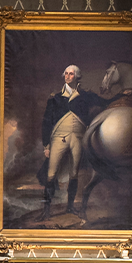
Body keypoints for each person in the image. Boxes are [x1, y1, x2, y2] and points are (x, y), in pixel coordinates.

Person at [39, 64, 108, 219]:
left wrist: (122, 95)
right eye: (66, 73)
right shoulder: (55, 98)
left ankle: (70, 207)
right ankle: (46, 210)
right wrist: (46, 145)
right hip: (58, 138)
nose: (67, 76)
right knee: (51, 174)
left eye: (71, 74)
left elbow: (104, 102)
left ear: (77, 77)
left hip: (78, 138)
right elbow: (46, 123)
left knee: (74, 174)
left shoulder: (85, 96)